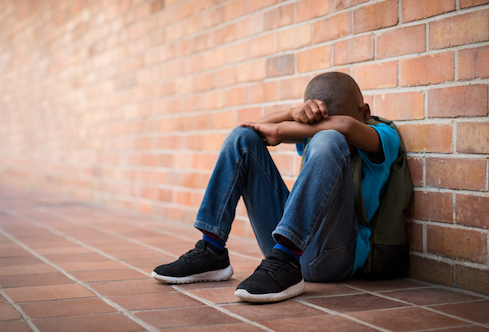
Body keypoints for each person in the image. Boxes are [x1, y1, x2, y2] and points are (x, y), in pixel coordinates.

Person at [152, 72, 401, 303]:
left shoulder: (383, 135)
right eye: (318, 124)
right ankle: (212, 249)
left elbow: (345, 127)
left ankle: (287, 261)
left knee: (330, 139)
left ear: (365, 112)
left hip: (335, 258)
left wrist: (282, 130)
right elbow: (252, 127)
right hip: (280, 252)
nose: (319, 130)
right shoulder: (313, 132)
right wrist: (293, 112)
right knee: (242, 138)